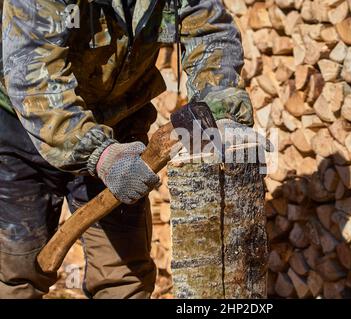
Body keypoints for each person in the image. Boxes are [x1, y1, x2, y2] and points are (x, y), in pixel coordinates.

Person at [0, 0, 253, 299]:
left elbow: (210, 31)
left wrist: (220, 106)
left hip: (121, 130)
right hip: (22, 130)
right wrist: (101, 155)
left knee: (123, 281)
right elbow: (34, 75)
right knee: (14, 278)